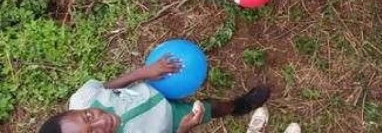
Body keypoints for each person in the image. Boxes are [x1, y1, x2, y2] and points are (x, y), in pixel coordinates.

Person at [38, 56, 270, 133]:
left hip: (153, 90)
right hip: (169, 121)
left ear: (77, 109)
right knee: (212, 108)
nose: (101, 121)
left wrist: (143, 72)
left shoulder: (82, 98)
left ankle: (235, 105)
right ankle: (239, 106)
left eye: (88, 117)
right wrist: (183, 129)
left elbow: (106, 86)